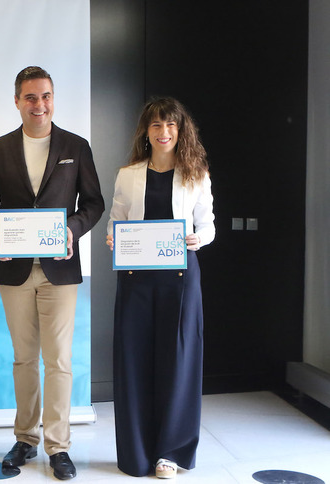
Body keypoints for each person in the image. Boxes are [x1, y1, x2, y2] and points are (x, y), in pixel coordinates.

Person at [0, 66, 104, 481]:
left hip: (59, 269)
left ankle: (59, 446)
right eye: (30, 97)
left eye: (46, 96)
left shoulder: (76, 146)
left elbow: (94, 203)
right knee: (24, 359)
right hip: (14, 270)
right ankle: (26, 438)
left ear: (53, 99)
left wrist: (71, 230)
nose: (39, 105)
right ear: (17, 101)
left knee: (59, 361)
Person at [106, 97, 215, 479]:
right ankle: (137, 453)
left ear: (180, 130)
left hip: (181, 278)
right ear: (146, 131)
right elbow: (116, 219)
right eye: (156, 125)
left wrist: (197, 239)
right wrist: (112, 238)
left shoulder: (195, 173)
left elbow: (208, 225)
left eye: (171, 125)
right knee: (133, 359)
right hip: (136, 277)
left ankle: (170, 452)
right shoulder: (128, 174)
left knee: (179, 361)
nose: (164, 132)